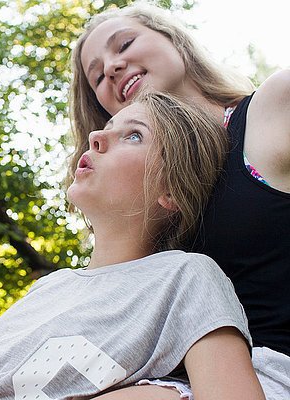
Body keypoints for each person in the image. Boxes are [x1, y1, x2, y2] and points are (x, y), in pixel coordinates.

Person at [0, 92, 264, 400]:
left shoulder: (188, 277)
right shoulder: (47, 288)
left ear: (171, 192)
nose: (96, 138)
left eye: (134, 135)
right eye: (105, 128)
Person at [68, 2, 290, 398]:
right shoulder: (132, 211)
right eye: (98, 75)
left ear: (176, 41)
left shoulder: (272, 111)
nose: (113, 68)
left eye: (124, 44)